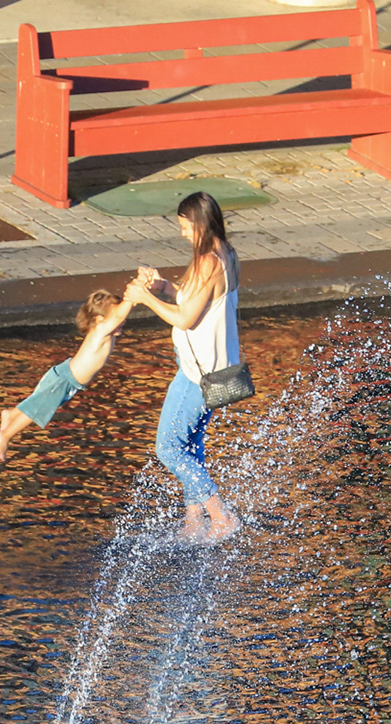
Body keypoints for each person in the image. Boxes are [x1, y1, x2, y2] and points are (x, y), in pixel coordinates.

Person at [128, 190, 244, 542]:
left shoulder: (208, 261)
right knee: (191, 444)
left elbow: (186, 318)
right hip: (221, 371)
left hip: (199, 374)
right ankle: (194, 521)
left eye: (184, 226)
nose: (181, 234)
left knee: (169, 449)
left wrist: (145, 297)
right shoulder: (226, 254)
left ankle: (220, 515)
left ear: (198, 224)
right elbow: (196, 299)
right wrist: (163, 285)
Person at [0, 282, 151, 462]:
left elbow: (119, 313)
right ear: (100, 319)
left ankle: (11, 414)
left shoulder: (106, 330)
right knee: (38, 409)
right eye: (117, 317)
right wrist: (132, 298)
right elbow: (118, 314)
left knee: (37, 402)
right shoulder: (101, 331)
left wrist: (140, 290)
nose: (123, 321)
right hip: (65, 380)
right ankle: (5, 436)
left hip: (66, 377)